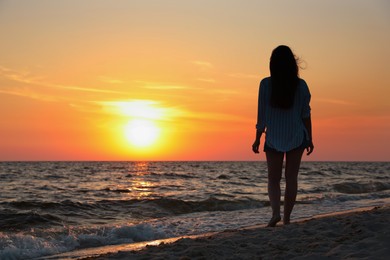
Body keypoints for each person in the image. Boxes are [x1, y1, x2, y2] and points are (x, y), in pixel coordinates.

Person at [252, 45, 314, 227]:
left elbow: (261, 115)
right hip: (296, 136)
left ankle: (275, 214)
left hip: (273, 137)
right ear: (292, 64)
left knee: (273, 178)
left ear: (272, 64)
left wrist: (257, 137)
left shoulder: (265, 84)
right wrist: (309, 138)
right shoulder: (301, 85)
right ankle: (287, 219)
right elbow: (306, 114)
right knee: (291, 178)